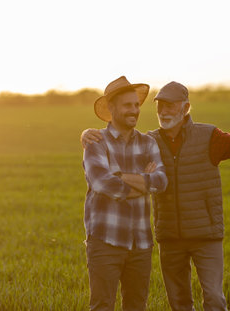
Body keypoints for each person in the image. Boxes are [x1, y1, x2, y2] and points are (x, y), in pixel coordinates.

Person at [82, 81, 230, 311]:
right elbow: (105, 178)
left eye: (171, 106)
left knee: (213, 299)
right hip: (167, 238)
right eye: (160, 106)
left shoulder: (203, 136)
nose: (164, 111)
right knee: (178, 304)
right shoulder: (148, 140)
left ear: (186, 107)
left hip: (203, 234)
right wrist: (87, 135)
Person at [82, 76, 168, 311]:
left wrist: (120, 176)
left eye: (136, 105)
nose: (134, 110)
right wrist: (142, 183)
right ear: (112, 108)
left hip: (141, 242)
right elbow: (102, 182)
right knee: (102, 306)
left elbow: (161, 181)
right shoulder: (97, 142)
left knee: (137, 306)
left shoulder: (148, 143)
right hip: (105, 240)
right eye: (127, 105)